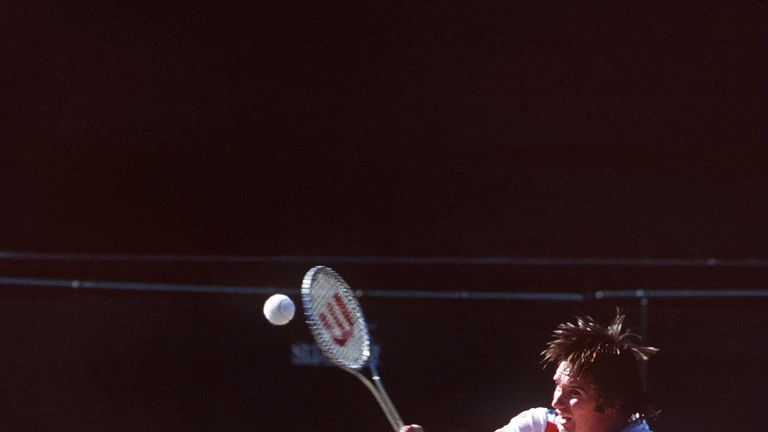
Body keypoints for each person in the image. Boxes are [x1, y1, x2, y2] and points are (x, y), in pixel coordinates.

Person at [400, 311, 658, 432]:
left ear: (611, 404)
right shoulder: (538, 424)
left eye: (574, 392)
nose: (557, 402)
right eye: (558, 386)